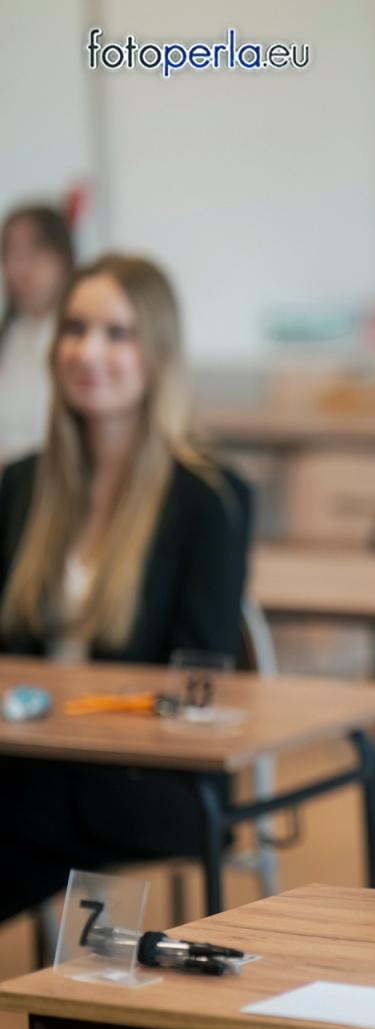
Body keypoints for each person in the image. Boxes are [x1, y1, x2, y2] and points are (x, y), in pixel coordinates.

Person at [0, 253, 252, 920]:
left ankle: (68, 1020)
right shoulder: (21, 485)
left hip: (149, 781)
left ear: (158, 352)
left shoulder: (208, 499)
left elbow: (202, 678)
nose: (89, 351)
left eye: (117, 333)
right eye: (75, 329)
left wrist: (72, 719)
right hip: (30, 766)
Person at [0, 204, 75, 463]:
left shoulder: (77, 341)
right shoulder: (10, 337)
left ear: (62, 259)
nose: (16, 269)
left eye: (32, 253)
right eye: (9, 254)